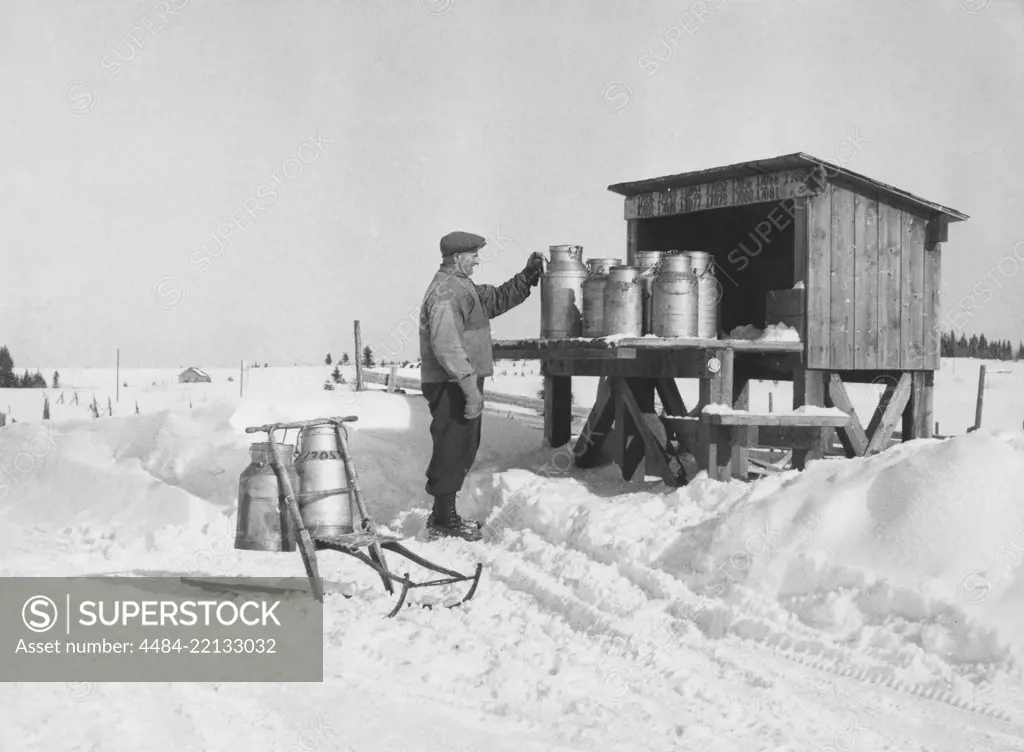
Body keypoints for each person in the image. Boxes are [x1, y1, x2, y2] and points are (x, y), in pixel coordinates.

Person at [419, 230, 544, 541]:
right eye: (473, 254)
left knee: (461, 446)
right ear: (458, 257)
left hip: (459, 381)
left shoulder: (463, 287)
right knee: (452, 446)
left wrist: (527, 277)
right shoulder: (446, 292)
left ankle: (443, 514)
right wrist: (469, 390)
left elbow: (496, 299)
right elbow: (446, 347)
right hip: (452, 383)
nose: (478, 259)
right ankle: (443, 519)